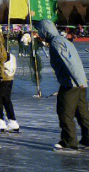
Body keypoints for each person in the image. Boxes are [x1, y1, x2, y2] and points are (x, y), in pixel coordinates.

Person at [35, 20, 89, 152]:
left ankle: (69, 141)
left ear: (45, 30)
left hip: (71, 83)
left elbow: (69, 61)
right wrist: (82, 81)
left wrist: (77, 80)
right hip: (80, 82)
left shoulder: (56, 42)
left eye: (40, 31)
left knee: (65, 112)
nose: (39, 34)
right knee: (81, 112)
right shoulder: (63, 40)